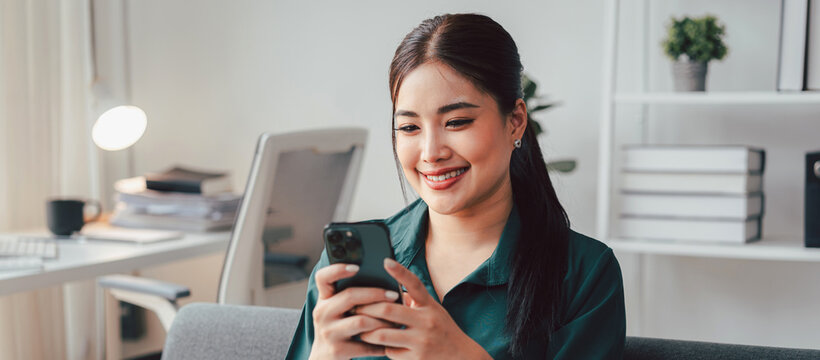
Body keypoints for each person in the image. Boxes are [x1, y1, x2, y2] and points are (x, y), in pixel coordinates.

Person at [286, 13, 625, 359]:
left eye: (457, 121)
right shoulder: (346, 266)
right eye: (409, 128)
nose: (431, 153)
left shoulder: (584, 275)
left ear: (516, 122)